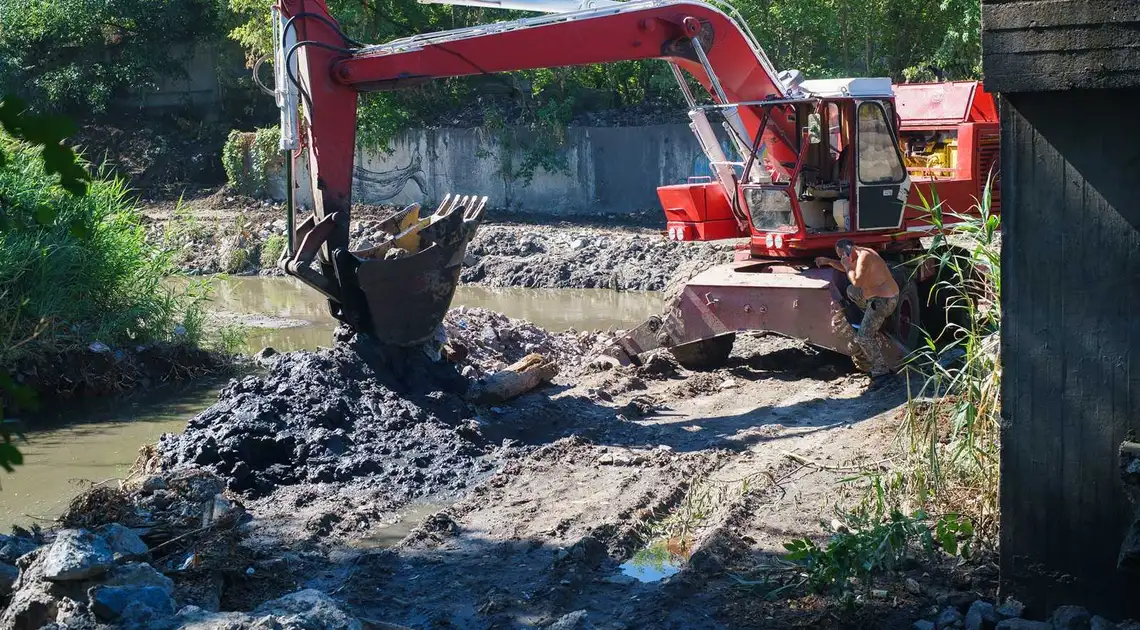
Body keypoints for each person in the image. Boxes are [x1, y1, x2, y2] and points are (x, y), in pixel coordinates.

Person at [815, 239, 899, 378]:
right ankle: (869, 317)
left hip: (883, 301)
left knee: (863, 337)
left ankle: (881, 371)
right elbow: (847, 268)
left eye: (843, 255)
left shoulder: (864, 257)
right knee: (851, 291)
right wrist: (829, 261)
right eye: (839, 256)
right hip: (875, 296)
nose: (842, 258)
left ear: (851, 250)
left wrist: (847, 266)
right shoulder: (858, 252)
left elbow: (857, 281)